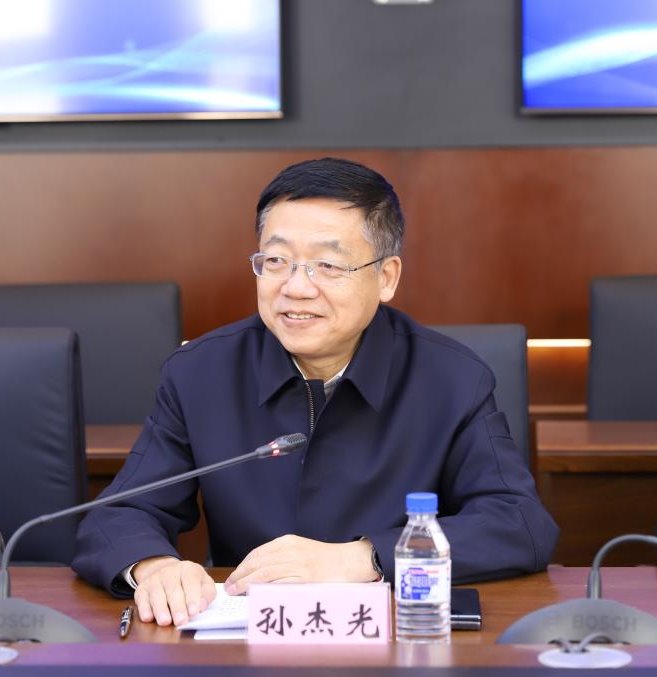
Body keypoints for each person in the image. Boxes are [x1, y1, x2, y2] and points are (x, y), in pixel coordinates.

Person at [72, 157, 559, 628]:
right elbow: (119, 513)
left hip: (395, 641)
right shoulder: (200, 373)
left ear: (386, 277)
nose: (296, 288)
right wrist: (153, 566)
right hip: (249, 640)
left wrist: (364, 557)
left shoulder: (451, 378)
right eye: (277, 260)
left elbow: (519, 523)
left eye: (327, 265)